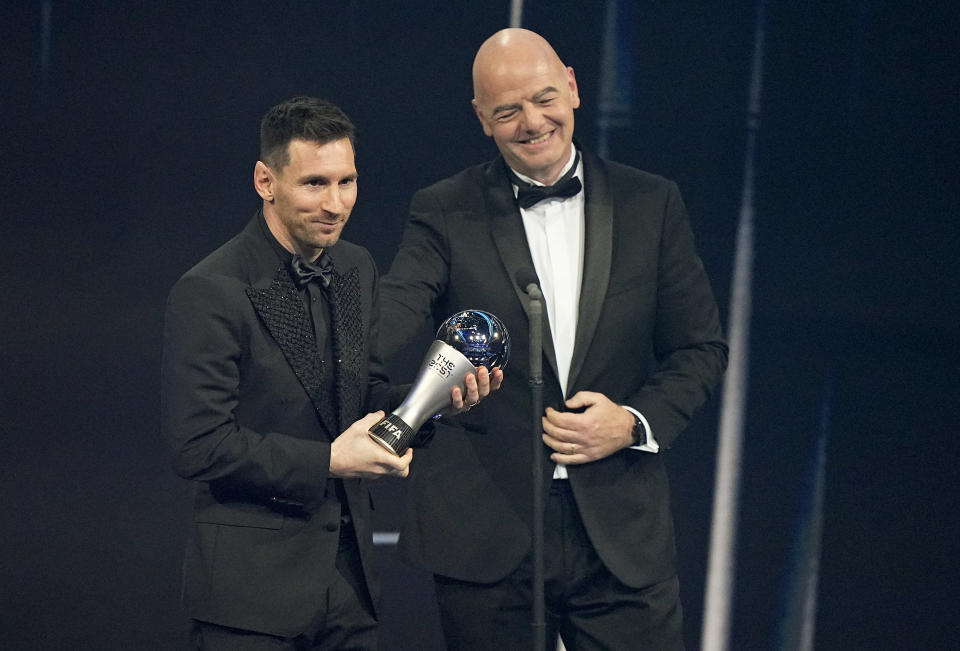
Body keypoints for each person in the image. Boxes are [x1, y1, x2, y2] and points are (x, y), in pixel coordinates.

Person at [378, 29, 728, 650]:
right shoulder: (442, 209)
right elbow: (393, 316)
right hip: (487, 531)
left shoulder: (652, 203)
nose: (532, 122)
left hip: (620, 532)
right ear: (482, 118)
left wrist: (633, 421)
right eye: (508, 110)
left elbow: (699, 349)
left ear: (572, 85)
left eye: (544, 98)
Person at [161, 96, 498, 650]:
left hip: (348, 588)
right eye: (315, 183)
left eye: (348, 182)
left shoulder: (355, 266)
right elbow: (198, 446)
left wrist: (433, 402)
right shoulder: (211, 291)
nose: (336, 204)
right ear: (265, 181)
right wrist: (329, 461)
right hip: (249, 599)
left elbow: (362, 397)